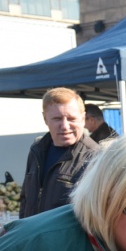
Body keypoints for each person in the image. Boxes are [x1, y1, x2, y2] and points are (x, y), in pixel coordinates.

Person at [20, 87, 98, 218]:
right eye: (57, 119)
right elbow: (25, 198)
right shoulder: (37, 150)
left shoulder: (96, 157)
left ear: (83, 119)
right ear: (45, 119)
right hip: (33, 236)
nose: (65, 126)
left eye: (71, 119)